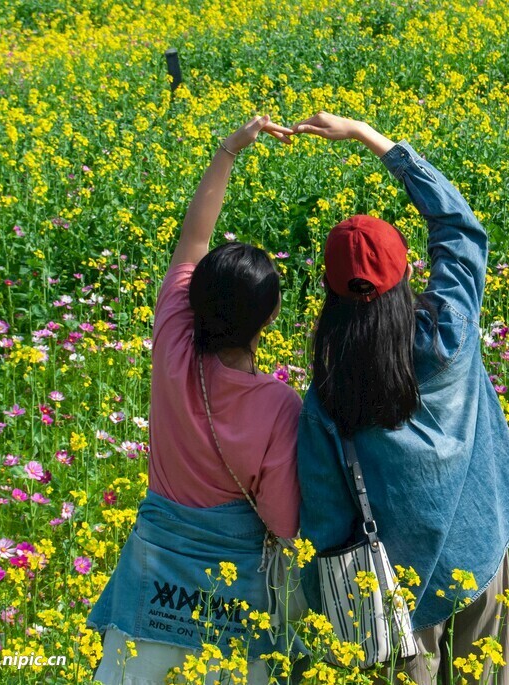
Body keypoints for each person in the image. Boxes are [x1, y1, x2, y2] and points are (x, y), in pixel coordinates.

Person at [294, 112, 509, 685]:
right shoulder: (448, 331)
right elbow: (460, 228)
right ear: (407, 272)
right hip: (479, 548)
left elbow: (327, 520)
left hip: (393, 591)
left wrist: (332, 604)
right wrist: (370, 137)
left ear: (330, 293)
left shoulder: (328, 392)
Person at [87, 115, 304, 685]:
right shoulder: (279, 405)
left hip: (150, 589)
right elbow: (285, 523)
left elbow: (193, 240)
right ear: (271, 317)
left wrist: (229, 149)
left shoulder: (172, 347)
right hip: (232, 609)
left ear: (191, 301)